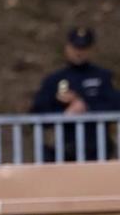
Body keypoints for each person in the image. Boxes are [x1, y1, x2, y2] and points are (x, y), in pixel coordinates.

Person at [30, 26, 117, 162]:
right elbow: (36, 113)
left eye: (83, 48)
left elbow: (115, 105)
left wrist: (85, 107)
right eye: (75, 48)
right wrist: (62, 111)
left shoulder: (103, 77)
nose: (79, 53)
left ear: (91, 50)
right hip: (63, 151)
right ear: (67, 48)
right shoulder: (54, 80)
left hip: (97, 151)